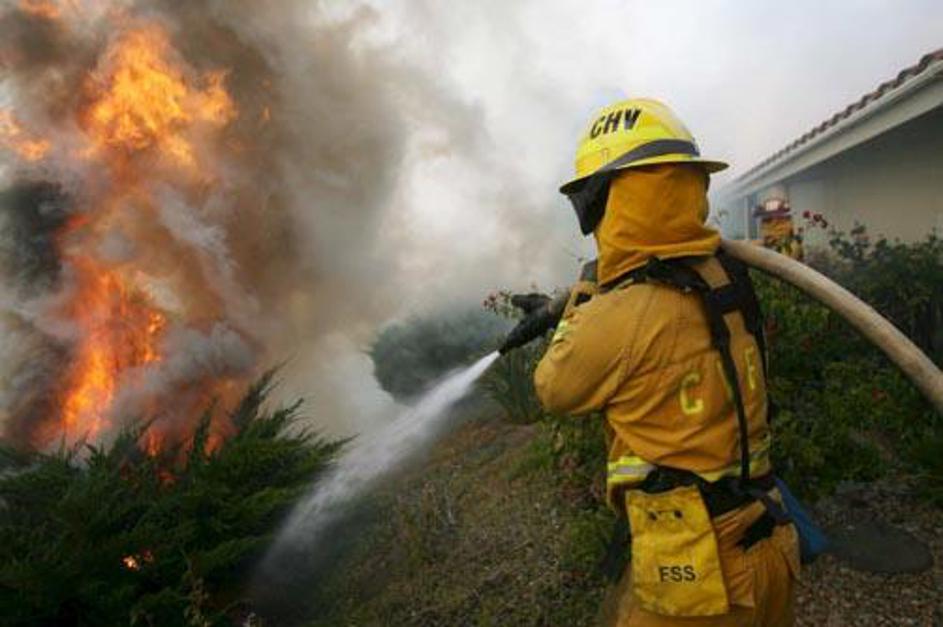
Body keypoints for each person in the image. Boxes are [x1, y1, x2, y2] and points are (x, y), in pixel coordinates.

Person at [531, 98, 800, 626]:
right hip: (770, 547)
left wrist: (584, 293)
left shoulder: (618, 313)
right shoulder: (721, 273)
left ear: (610, 197)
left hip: (696, 576)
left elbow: (552, 388)